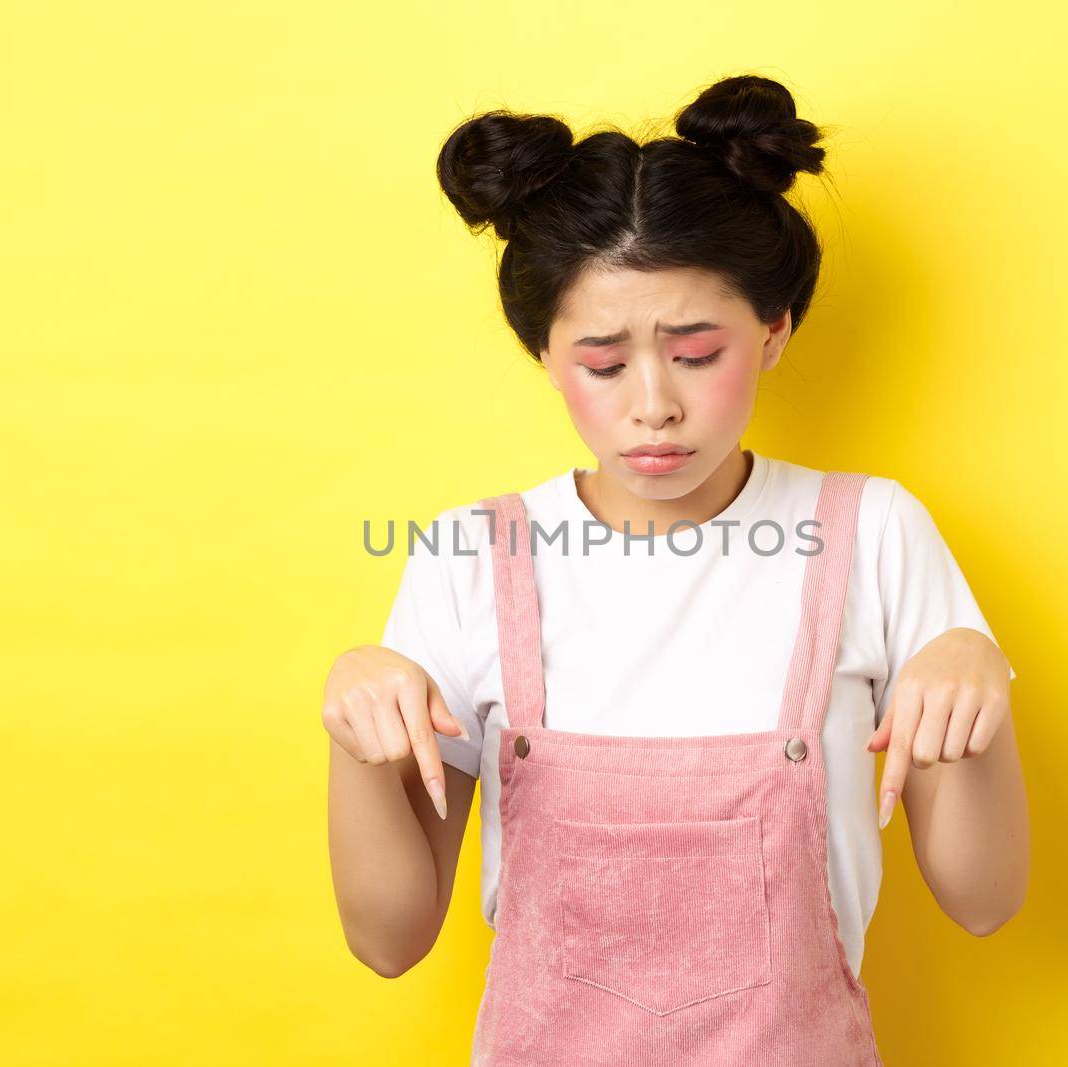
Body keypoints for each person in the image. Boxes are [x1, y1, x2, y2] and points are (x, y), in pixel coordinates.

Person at [324, 73, 1030, 1066]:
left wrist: (975, 674)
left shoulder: (871, 531)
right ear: (542, 351)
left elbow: (984, 897)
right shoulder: (469, 557)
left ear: (774, 331)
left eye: (696, 353)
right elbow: (386, 938)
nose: (652, 405)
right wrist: (355, 725)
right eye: (603, 364)